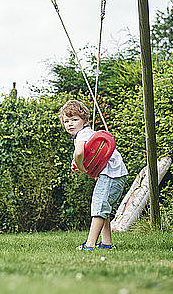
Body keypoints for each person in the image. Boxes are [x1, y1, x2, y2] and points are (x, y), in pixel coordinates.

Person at [59, 99, 128, 251]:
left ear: (84, 121)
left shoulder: (82, 135)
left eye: (75, 120)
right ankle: (106, 243)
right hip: (115, 173)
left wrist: (80, 166)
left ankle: (90, 244)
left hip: (112, 174)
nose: (70, 124)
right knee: (105, 207)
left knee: (99, 207)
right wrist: (84, 166)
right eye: (66, 121)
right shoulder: (85, 133)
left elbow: (79, 153)